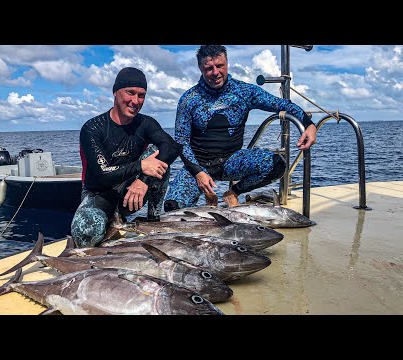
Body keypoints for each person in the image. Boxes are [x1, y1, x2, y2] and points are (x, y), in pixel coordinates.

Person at [163, 45, 317, 211]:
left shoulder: (244, 92)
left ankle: (233, 193)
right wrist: (198, 173)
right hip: (198, 166)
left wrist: (309, 124)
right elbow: (181, 141)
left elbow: (283, 104)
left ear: (227, 64)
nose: (215, 72)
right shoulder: (189, 99)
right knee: (173, 208)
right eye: (209, 68)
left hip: (232, 161)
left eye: (220, 66)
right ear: (200, 68)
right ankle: (207, 196)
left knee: (277, 165)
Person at [71, 67, 182, 247]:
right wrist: (141, 166)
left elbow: (173, 147)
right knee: (85, 235)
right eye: (130, 93)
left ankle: (153, 219)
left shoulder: (146, 123)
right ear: (115, 92)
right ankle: (108, 220)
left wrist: (143, 180)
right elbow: (102, 174)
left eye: (141, 95)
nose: (135, 101)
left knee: (159, 156)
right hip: (99, 192)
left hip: (131, 192)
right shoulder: (92, 128)